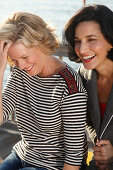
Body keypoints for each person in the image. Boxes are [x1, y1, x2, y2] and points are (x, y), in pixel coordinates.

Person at [0, 12, 88, 170]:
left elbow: (74, 158)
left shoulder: (70, 88)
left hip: (55, 165)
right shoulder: (21, 71)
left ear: (40, 44)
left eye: (25, 57)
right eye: (14, 60)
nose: (20, 65)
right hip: (23, 153)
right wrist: (0, 73)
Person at [63, 4, 113, 170]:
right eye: (77, 41)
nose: (82, 50)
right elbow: (88, 121)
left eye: (91, 39)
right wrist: (101, 146)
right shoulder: (83, 75)